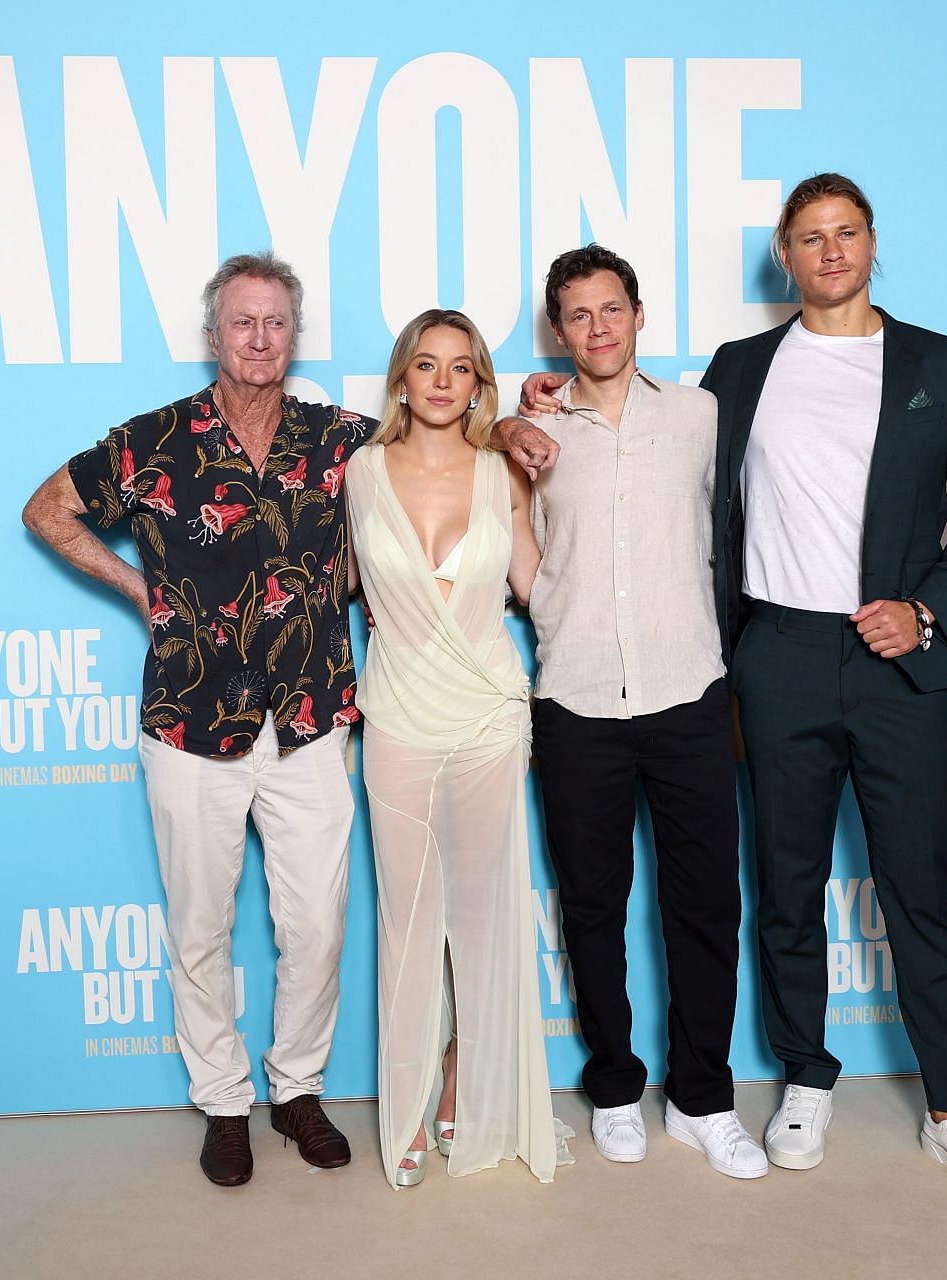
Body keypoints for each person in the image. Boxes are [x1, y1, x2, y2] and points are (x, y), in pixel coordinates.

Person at [22, 252, 559, 1189]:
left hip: (313, 718)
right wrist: (135, 588)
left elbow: (442, 438)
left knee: (315, 925)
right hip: (188, 720)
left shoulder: (345, 443)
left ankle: (298, 1092)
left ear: (293, 334)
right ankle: (224, 1103)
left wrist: (514, 421)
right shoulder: (154, 441)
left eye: (275, 323)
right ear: (214, 335)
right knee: (200, 926)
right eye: (242, 322)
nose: (259, 338)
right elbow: (48, 510)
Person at [705, 173, 947, 1209]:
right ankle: (805, 1076)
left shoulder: (941, 361)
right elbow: (677, 476)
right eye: (810, 237)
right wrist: (547, 408)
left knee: (918, 894)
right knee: (789, 887)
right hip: (779, 655)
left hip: (898, 664)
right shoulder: (740, 368)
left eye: (846, 233)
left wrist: (928, 611)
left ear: (872, 243)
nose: (830, 250)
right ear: (785, 254)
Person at [513, 246, 768, 1180]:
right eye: (578, 315)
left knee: (704, 905)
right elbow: (507, 531)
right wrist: (545, 606)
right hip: (575, 696)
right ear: (558, 330)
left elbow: (739, 530)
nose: (598, 328)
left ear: (640, 314)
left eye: (611, 308)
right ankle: (615, 1088)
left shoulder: (698, 416)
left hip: (688, 691)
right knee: (593, 906)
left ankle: (702, 1100)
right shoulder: (532, 431)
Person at [345, 309, 567, 1188]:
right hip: (396, 715)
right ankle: (401, 1112)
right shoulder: (358, 473)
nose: (443, 382)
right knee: (408, 924)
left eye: (462, 368)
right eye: (427, 365)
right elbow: (327, 585)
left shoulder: (498, 472)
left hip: (487, 717)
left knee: (481, 916)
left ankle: (463, 1087)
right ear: (402, 377)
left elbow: (540, 589)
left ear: (480, 383)